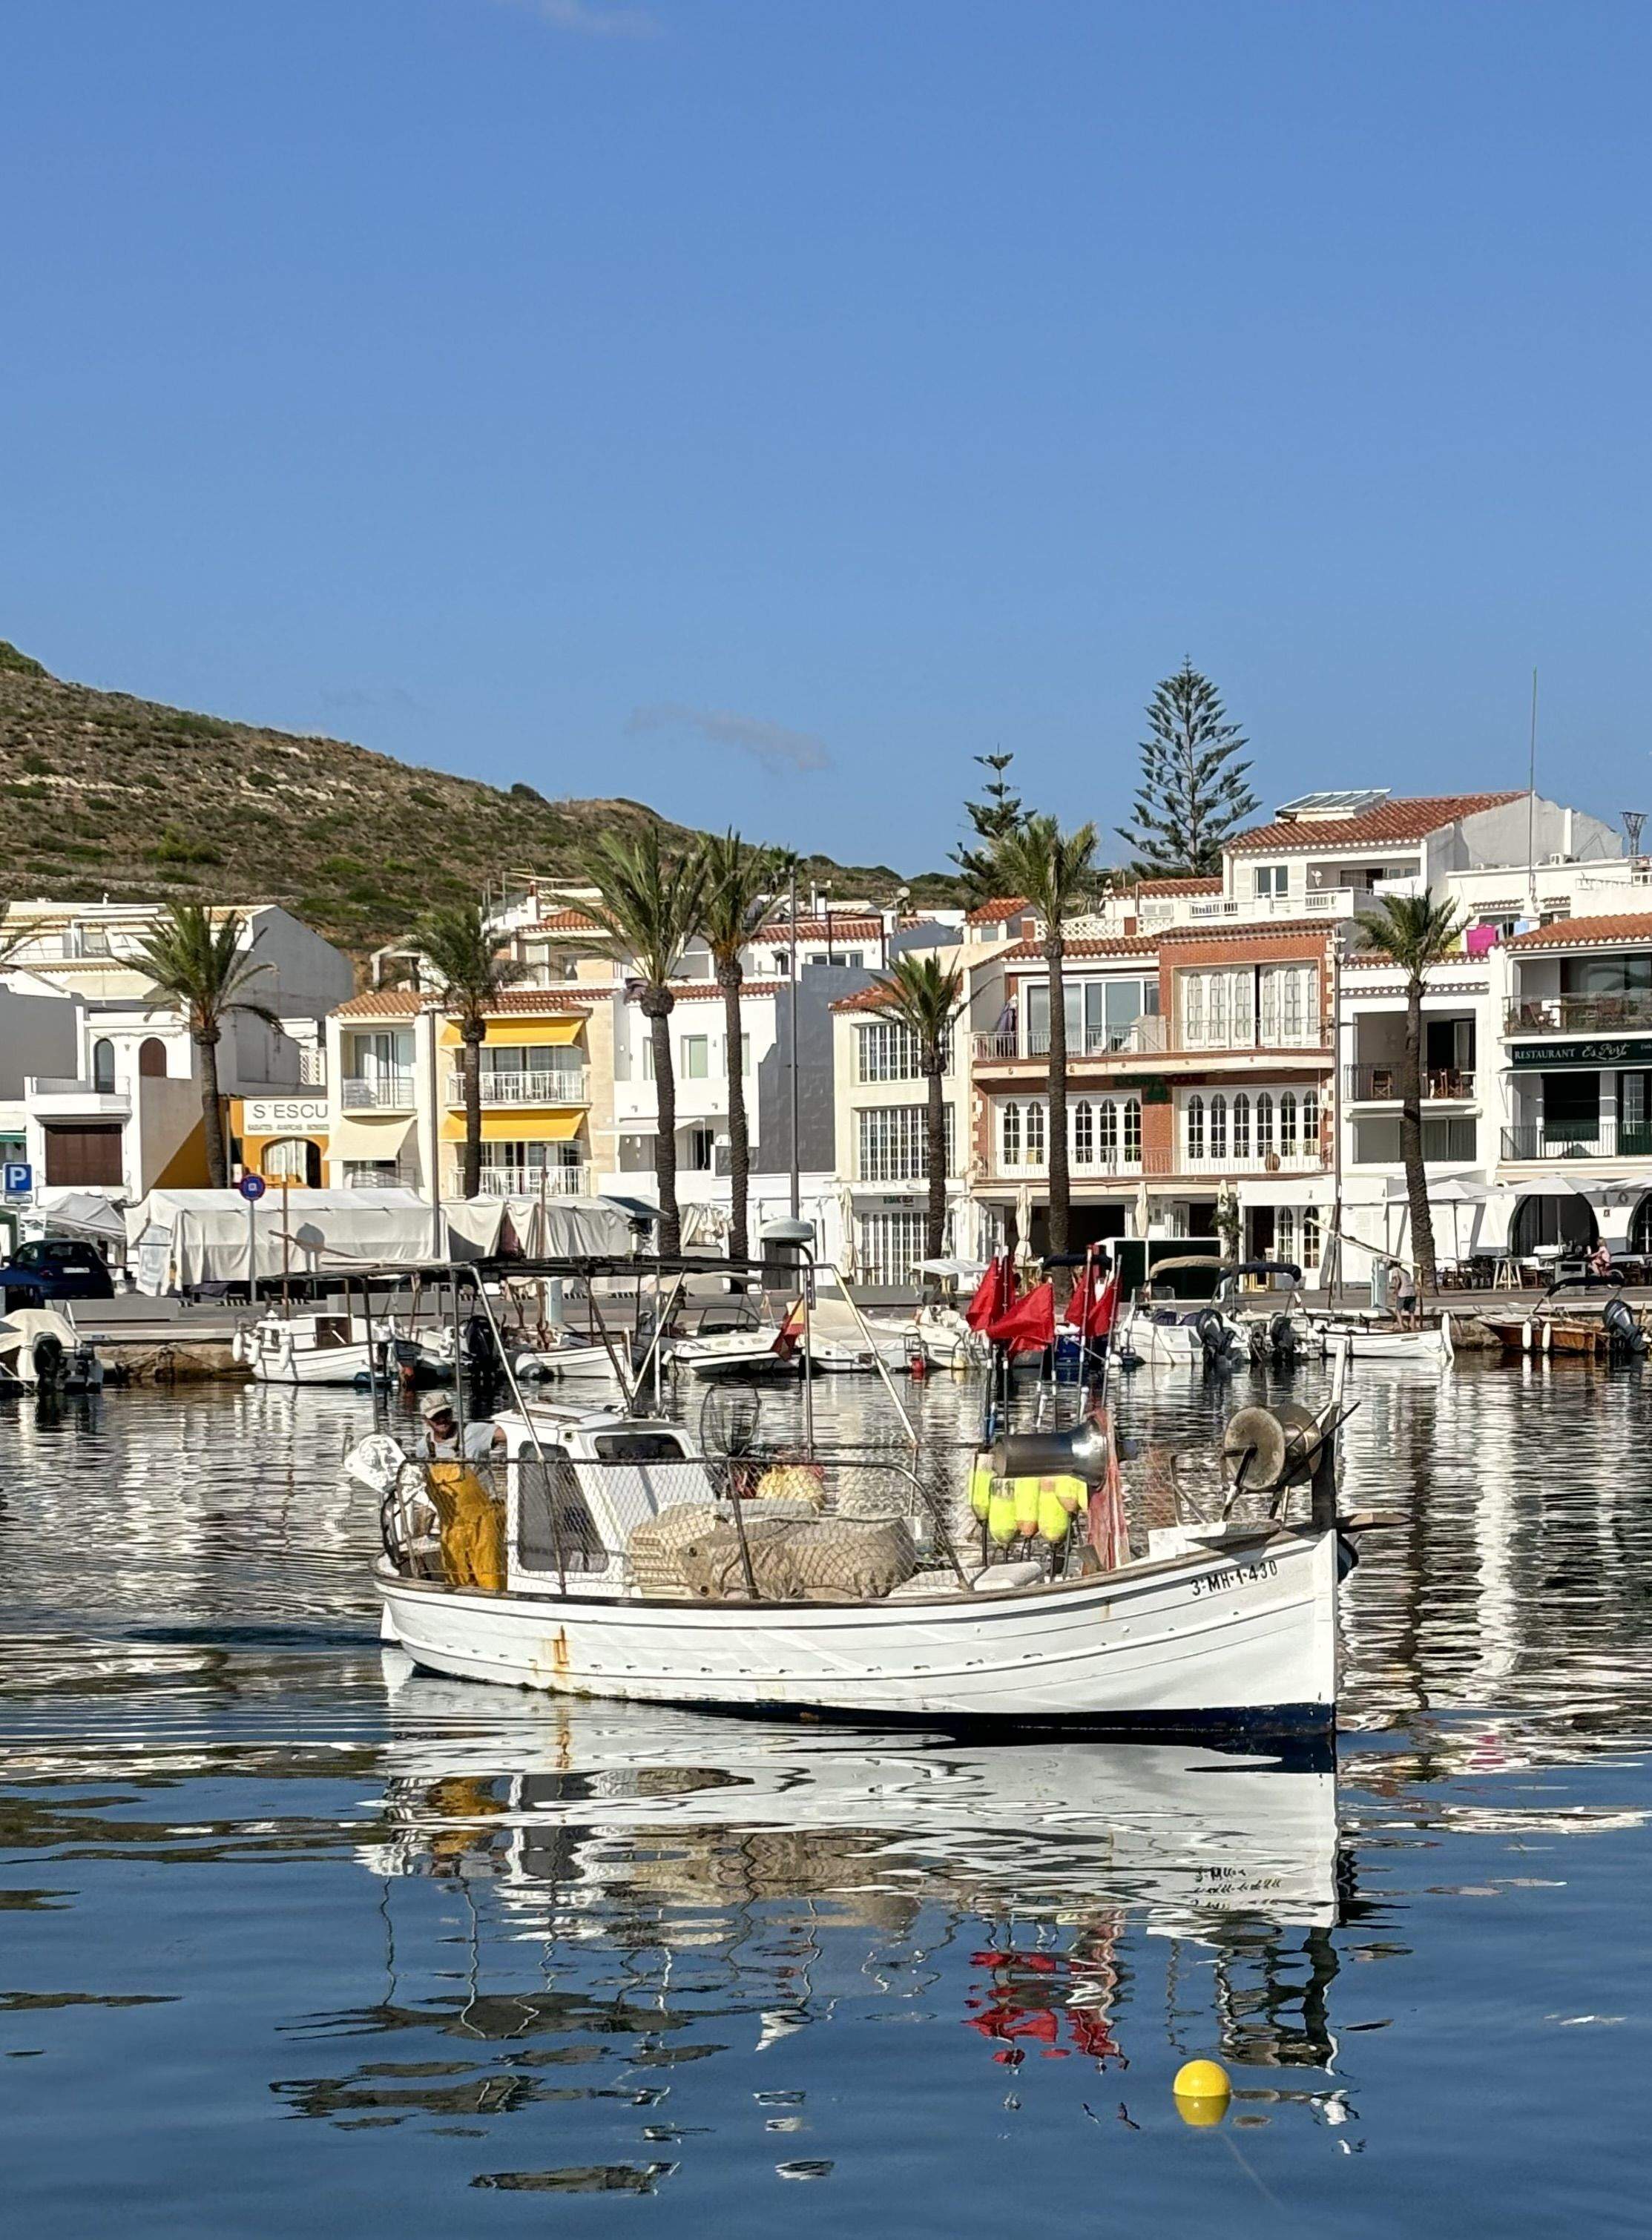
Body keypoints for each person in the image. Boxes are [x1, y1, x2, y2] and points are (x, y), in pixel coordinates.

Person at [417, 1390, 504, 1462]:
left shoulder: (473, 1431)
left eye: (445, 1413)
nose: (442, 1419)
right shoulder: (424, 1445)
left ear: (451, 1412)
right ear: (426, 1420)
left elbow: (509, 1434)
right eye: (436, 1417)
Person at [1392, 1259, 1418, 1328]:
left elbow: (1398, 1281)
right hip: (1412, 1292)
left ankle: (1401, 1327)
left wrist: (1396, 1291)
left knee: (1398, 1310)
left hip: (1403, 1292)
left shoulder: (1395, 1270)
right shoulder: (1405, 1271)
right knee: (1411, 1312)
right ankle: (1413, 1327)